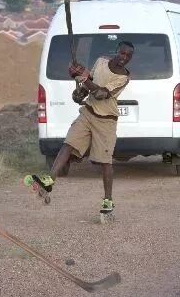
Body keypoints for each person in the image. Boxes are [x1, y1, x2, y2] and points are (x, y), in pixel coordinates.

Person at [26, 41, 134, 222]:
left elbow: (100, 94)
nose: (124, 58)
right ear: (117, 51)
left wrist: (83, 78)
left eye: (128, 56)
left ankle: (108, 201)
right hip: (87, 113)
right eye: (122, 53)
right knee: (68, 144)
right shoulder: (100, 61)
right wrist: (79, 91)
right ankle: (49, 181)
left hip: (106, 121)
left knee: (105, 162)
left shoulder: (123, 78)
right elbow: (87, 86)